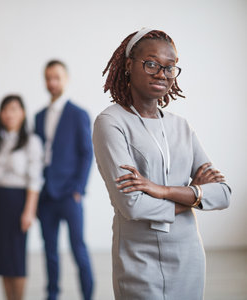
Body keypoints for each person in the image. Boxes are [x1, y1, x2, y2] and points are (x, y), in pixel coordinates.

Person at [93, 28, 231, 299]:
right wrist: (195, 197)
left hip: (188, 255)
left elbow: (224, 194)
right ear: (129, 65)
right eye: (152, 63)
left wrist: (161, 189)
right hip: (139, 259)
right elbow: (132, 205)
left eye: (170, 68)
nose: (161, 74)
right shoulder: (111, 122)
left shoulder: (181, 126)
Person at [35, 60, 94, 300]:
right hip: (46, 194)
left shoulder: (77, 114)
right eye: (48, 78)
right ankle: (52, 294)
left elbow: (87, 153)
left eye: (57, 77)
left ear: (66, 79)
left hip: (70, 193)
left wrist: (79, 188)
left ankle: (88, 295)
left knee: (78, 249)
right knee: (49, 251)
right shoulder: (39, 116)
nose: (52, 82)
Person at [0, 95, 43, 300]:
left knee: (16, 259)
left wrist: (29, 211)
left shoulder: (31, 142)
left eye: (15, 109)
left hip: (18, 202)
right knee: (2, 260)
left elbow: (35, 180)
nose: (10, 114)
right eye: (6, 109)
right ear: (1, 114)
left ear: (23, 113)